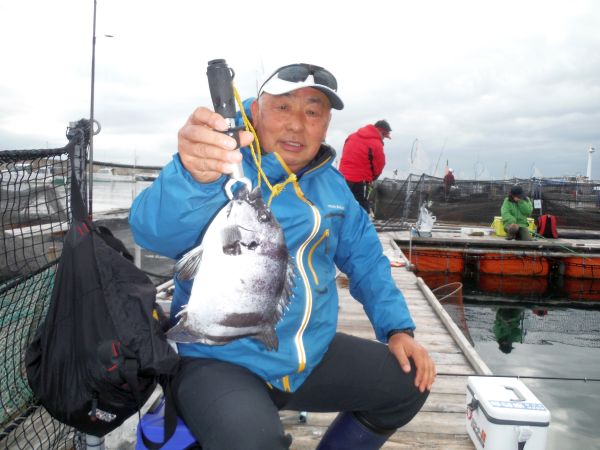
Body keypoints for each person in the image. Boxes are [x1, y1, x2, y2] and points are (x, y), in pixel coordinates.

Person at [129, 63, 435, 450]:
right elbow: (152, 231)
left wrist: (397, 328)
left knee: (410, 383)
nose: (297, 125)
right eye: (283, 107)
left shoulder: (334, 188)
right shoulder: (221, 168)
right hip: (220, 358)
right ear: (256, 111)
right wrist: (190, 177)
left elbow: (368, 261)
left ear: (326, 124)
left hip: (308, 355)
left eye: (313, 112)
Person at [338, 119, 392, 211]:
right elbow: (379, 165)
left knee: (342, 205)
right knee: (361, 207)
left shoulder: (351, 137)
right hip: (360, 181)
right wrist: (373, 178)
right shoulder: (376, 144)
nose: (383, 138)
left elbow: (345, 154)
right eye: (384, 135)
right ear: (381, 131)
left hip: (342, 178)